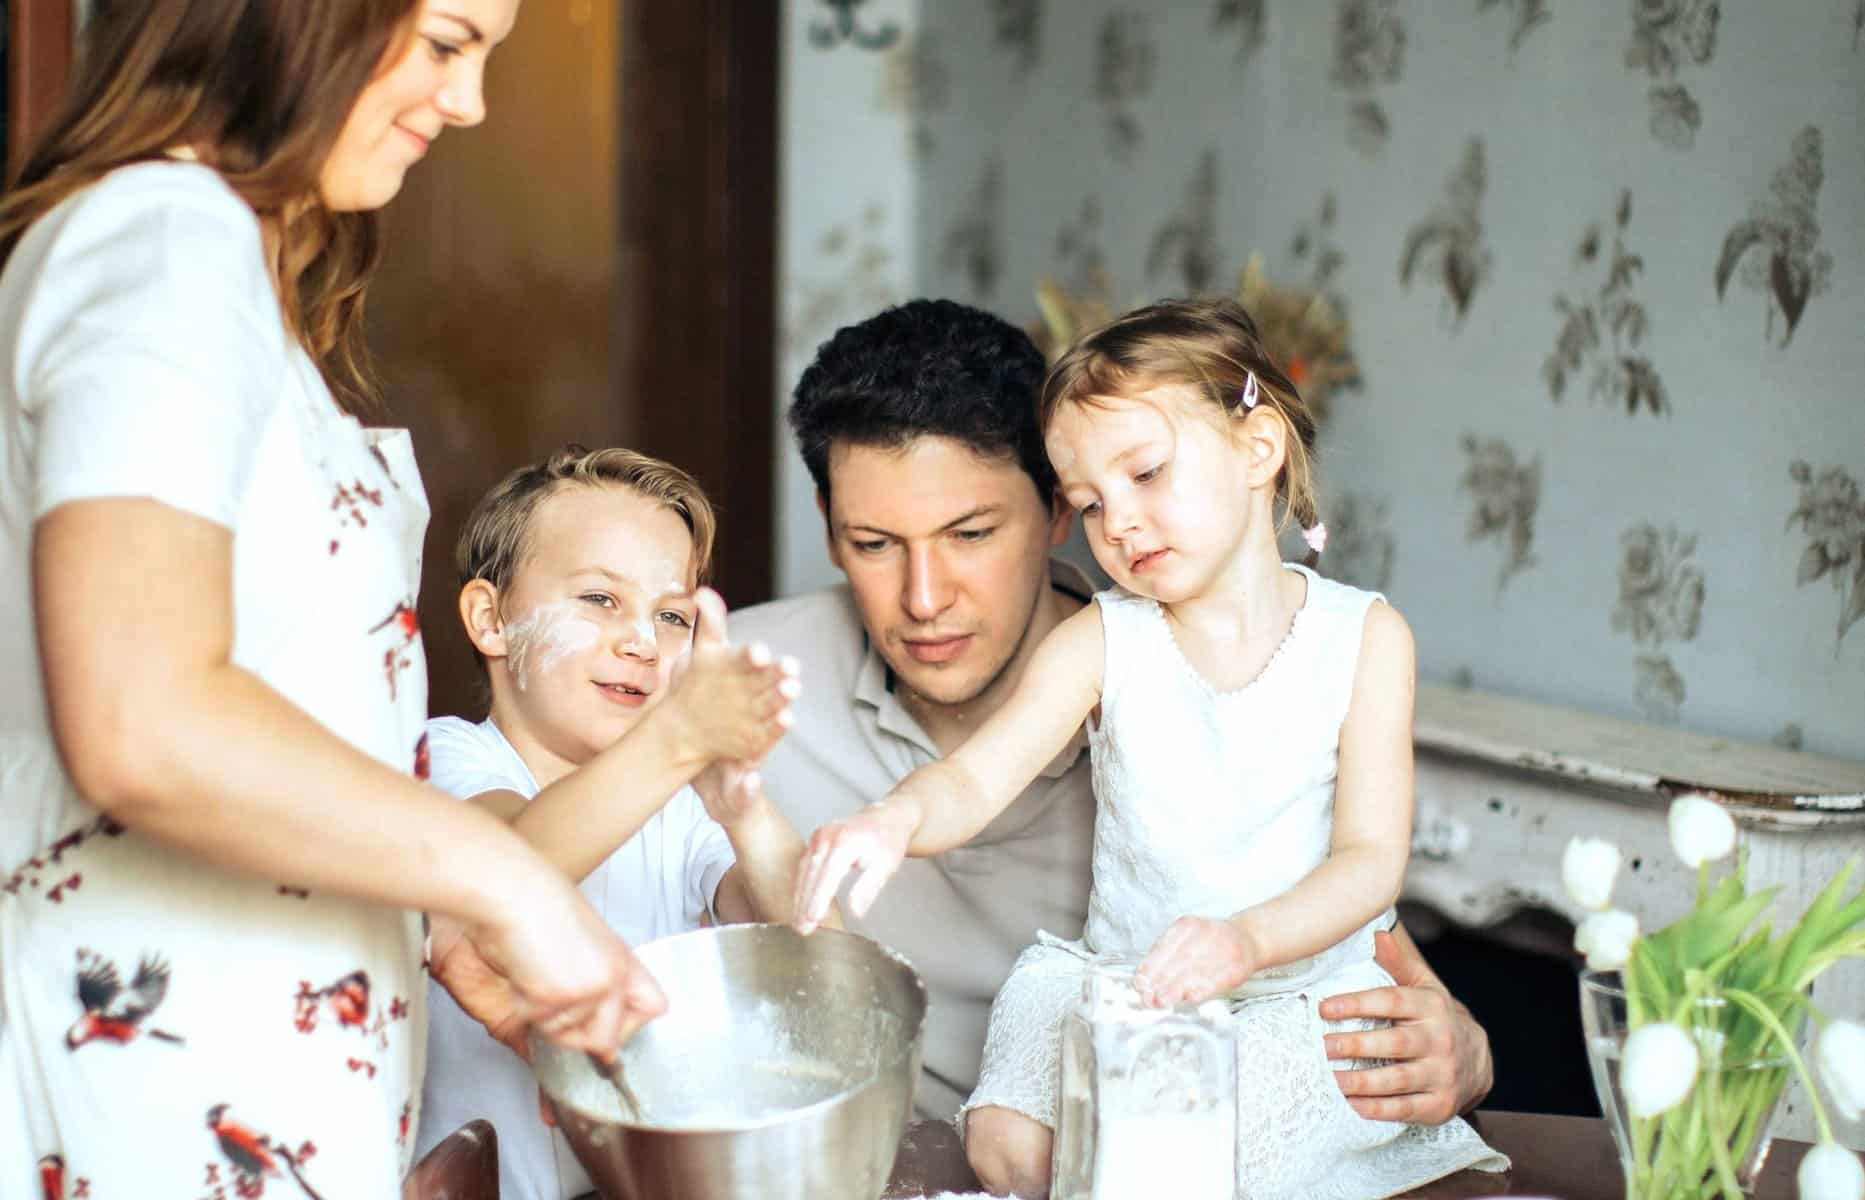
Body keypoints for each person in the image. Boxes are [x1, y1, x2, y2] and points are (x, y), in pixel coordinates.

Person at [0, 5, 663, 1196]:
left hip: (255, 1043)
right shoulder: (162, 244)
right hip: (146, 1061)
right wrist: (496, 876)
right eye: (450, 43)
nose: (468, 105)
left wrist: (422, 914)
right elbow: (142, 720)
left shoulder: (237, 270)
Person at [770, 298, 1505, 1197]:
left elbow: (1366, 867)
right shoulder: (1101, 642)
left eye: (1146, 474)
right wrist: (891, 821)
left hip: (1270, 992)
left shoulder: (1364, 639)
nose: (1116, 523)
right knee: (1007, 1143)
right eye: (1093, 501)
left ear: (1257, 449)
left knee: (1191, 1163)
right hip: (1115, 980)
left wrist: (1249, 944)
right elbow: (970, 778)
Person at [416, 445, 810, 1200]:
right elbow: (505, 870)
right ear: (490, 619)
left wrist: (745, 812)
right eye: (600, 600)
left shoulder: (678, 810)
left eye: (671, 615)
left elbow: (810, 940)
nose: (641, 641)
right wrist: (679, 739)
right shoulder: (446, 757)